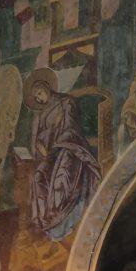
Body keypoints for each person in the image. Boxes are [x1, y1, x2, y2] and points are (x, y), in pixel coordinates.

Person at [24, 68, 102, 241]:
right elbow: (41, 137)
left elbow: (71, 127)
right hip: (51, 154)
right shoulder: (43, 114)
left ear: (46, 87)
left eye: (39, 93)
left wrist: (57, 146)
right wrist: (41, 147)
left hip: (70, 147)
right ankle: (47, 221)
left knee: (62, 176)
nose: (39, 98)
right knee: (38, 175)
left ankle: (62, 220)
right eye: (36, 98)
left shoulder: (66, 101)